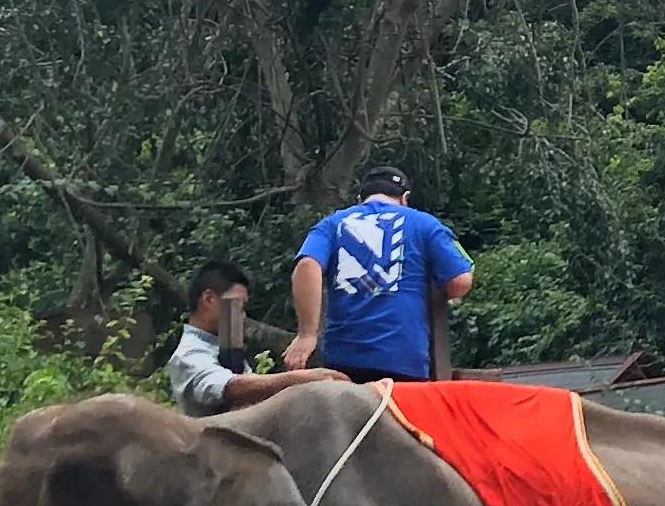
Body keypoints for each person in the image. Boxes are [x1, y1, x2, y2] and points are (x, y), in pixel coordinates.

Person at [283, 163, 476, 382]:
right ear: (405, 198)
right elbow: (460, 280)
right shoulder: (425, 224)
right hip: (403, 359)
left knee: (346, 405)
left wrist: (307, 335)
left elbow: (308, 263)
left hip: (343, 361)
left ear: (360, 199)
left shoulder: (331, 224)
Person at [166, 260, 346, 415]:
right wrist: (301, 379)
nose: (242, 315)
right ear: (209, 299)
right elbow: (229, 387)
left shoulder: (226, 345)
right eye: (237, 305)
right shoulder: (187, 355)